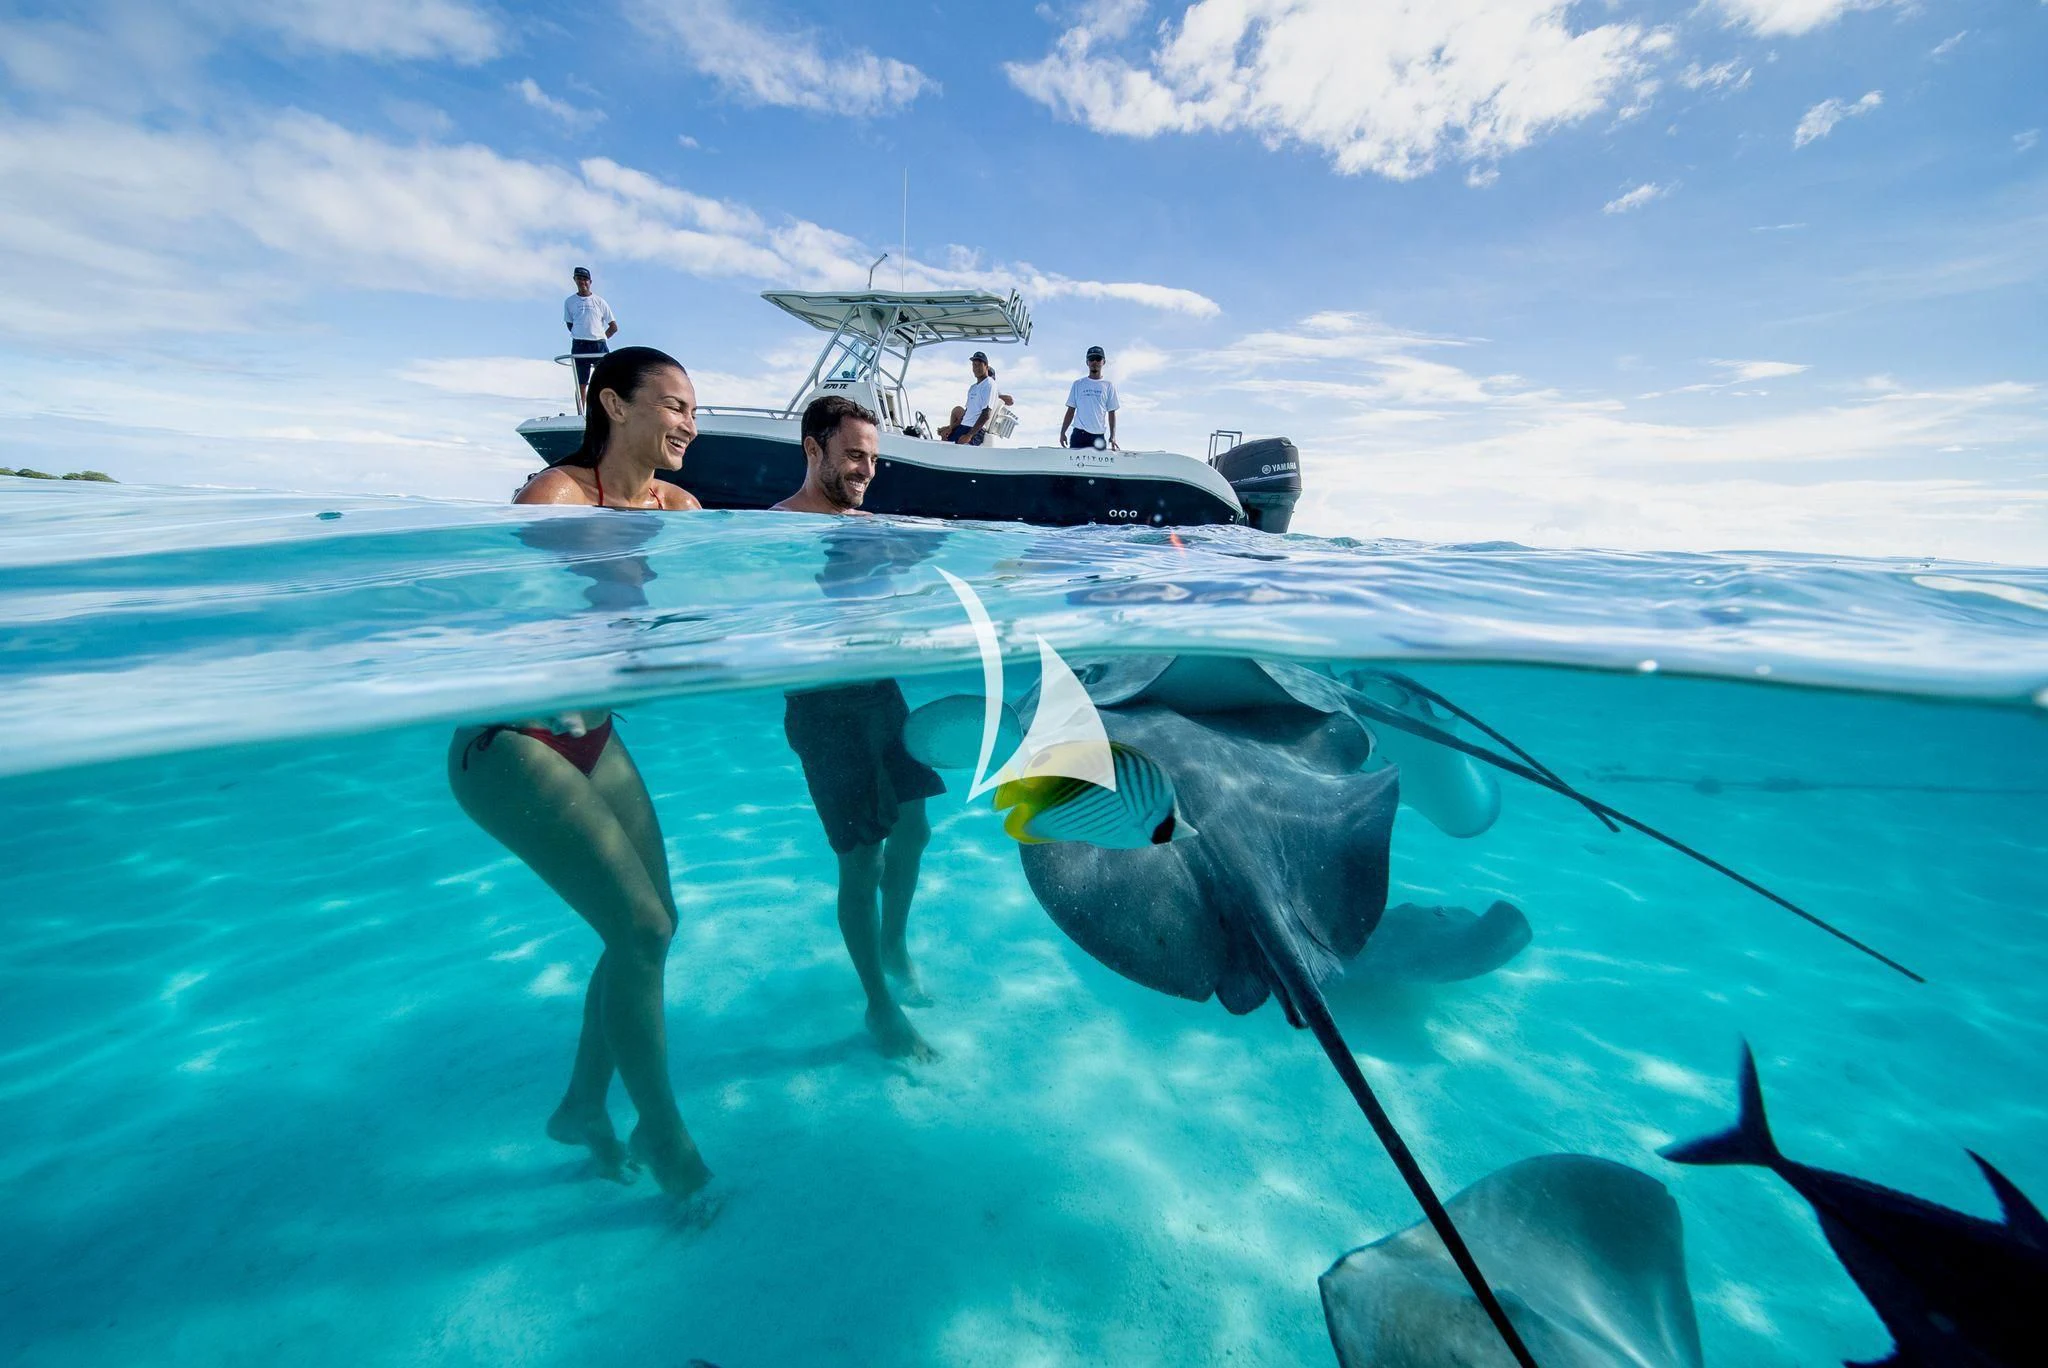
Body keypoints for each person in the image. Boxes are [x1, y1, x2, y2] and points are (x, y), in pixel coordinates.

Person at [447, 346, 711, 1202]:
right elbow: (496, 611)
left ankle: (582, 1107)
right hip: (511, 739)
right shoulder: (554, 498)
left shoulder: (680, 508)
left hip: (596, 733)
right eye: (673, 405)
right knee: (642, 928)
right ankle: (664, 1136)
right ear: (613, 404)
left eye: (694, 410)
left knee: (651, 928)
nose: (689, 424)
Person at [773, 395, 944, 1062]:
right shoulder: (779, 531)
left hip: (880, 694)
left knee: (914, 831)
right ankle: (879, 1005)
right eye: (853, 456)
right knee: (861, 858)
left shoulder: (870, 528)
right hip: (824, 710)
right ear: (813, 449)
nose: (866, 470)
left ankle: (894, 944)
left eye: (872, 459)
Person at [564, 266, 619, 411]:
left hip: (598, 345)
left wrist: (601, 337)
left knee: (605, 380)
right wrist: (582, 334)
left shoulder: (599, 301)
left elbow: (613, 327)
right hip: (579, 345)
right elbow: (570, 325)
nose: (582, 282)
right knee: (581, 383)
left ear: (590, 281)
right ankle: (581, 414)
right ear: (575, 280)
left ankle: (606, 412)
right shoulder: (569, 302)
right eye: (579, 278)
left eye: (585, 279)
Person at [1059, 345, 1120, 451]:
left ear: (1103, 362)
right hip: (1079, 435)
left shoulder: (1108, 386)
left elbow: (1111, 412)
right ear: (1087, 362)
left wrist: (1113, 436)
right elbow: (1070, 410)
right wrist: (1062, 432)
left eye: (1098, 359)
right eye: (1091, 359)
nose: (1094, 362)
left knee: (1099, 462)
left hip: (1098, 436)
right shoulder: (1078, 384)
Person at [937, 351, 1001, 445]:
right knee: (944, 437)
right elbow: (966, 413)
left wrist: (969, 435)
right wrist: (951, 428)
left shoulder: (989, 384)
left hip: (975, 431)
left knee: (947, 446)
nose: (976, 368)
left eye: (979, 365)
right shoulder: (973, 388)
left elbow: (986, 414)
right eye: (974, 365)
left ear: (986, 366)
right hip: (963, 426)